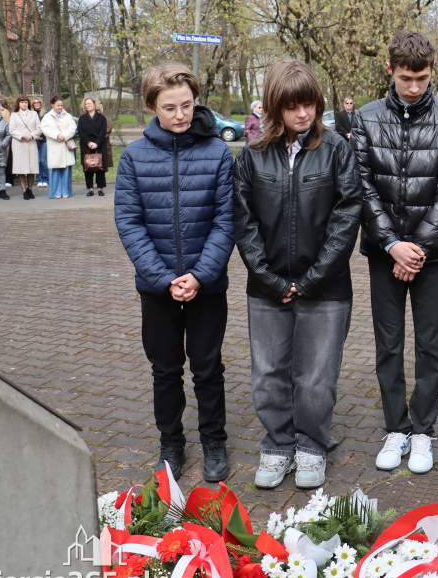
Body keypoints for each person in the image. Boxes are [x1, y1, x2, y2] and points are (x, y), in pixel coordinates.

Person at [234, 59, 362, 490]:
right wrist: (270, 280)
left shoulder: (337, 150)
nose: (303, 114)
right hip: (266, 288)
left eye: (309, 104)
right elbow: (244, 223)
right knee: (268, 373)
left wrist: (311, 280)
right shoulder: (252, 156)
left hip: (325, 288)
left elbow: (346, 217)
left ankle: (311, 445)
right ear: (275, 107)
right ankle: (277, 444)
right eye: (292, 107)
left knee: (317, 376)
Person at [352, 30, 438, 475]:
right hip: (383, 253)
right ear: (390, 70)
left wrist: (416, 248)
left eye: (422, 78)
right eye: (406, 78)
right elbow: (361, 186)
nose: (415, 87)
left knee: (430, 345)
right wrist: (391, 244)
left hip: (432, 256)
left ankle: (422, 431)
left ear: (432, 71)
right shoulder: (364, 118)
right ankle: (395, 428)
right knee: (388, 344)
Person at [114, 62, 235, 483]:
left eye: (187, 105)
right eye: (170, 107)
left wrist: (200, 275)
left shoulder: (218, 153)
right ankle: (171, 445)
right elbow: (130, 223)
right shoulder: (134, 157)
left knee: (208, 366)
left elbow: (226, 221)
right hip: (157, 287)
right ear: (152, 107)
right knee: (165, 369)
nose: (181, 114)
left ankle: (214, 441)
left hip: (207, 285)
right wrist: (164, 279)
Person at [40, 96, 76, 199]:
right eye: (58, 105)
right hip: (54, 146)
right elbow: (45, 129)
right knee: (55, 170)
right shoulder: (47, 117)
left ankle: (66, 191)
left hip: (65, 146)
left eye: (61, 105)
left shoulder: (67, 116)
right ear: (52, 105)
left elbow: (73, 128)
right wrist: (56, 135)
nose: (60, 107)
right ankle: (55, 192)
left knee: (66, 169)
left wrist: (64, 136)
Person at [9, 95, 42, 199]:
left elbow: (39, 129)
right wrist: (22, 135)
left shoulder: (34, 114)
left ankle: (30, 189)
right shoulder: (14, 115)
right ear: (18, 104)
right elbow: (12, 130)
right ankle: (24, 190)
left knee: (32, 168)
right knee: (21, 168)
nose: (24, 104)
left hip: (31, 142)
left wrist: (31, 135)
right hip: (19, 143)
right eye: (22, 102)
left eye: (26, 102)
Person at [78, 97, 109, 196]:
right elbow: (81, 132)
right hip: (86, 145)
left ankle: (100, 188)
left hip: (99, 144)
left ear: (94, 105)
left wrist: (96, 143)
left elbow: (103, 132)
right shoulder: (82, 118)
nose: (87, 105)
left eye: (89, 103)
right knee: (88, 167)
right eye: (86, 104)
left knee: (99, 166)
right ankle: (90, 189)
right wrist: (88, 143)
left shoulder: (101, 118)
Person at [32, 97, 49, 188]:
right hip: (34, 140)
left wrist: (41, 135)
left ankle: (45, 179)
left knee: (43, 160)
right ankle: (39, 179)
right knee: (37, 161)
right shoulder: (31, 114)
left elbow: (47, 127)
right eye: (35, 103)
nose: (37, 104)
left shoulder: (46, 114)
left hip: (44, 140)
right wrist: (35, 136)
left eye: (38, 102)